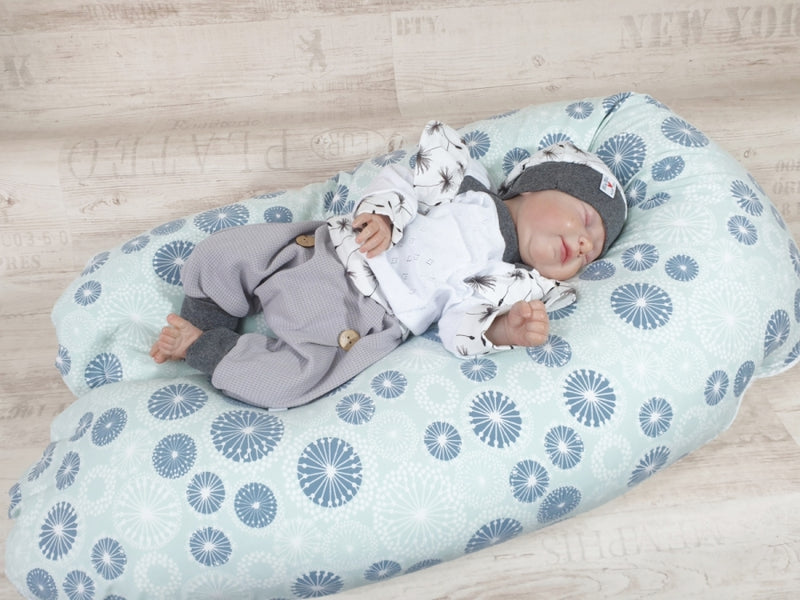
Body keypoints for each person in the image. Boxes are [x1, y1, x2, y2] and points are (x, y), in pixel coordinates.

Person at [150, 121, 627, 409]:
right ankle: (204, 314)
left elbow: (458, 326)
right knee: (231, 250)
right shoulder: (465, 183)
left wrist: (502, 330)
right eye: (586, 219)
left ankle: (204, 348)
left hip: (363, 318)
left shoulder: (508, 279)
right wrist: (381, 215)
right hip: (333, 248)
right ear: (539, 184)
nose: (585, 244)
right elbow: (401, 182)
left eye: (593, 252)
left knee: (294, 381)